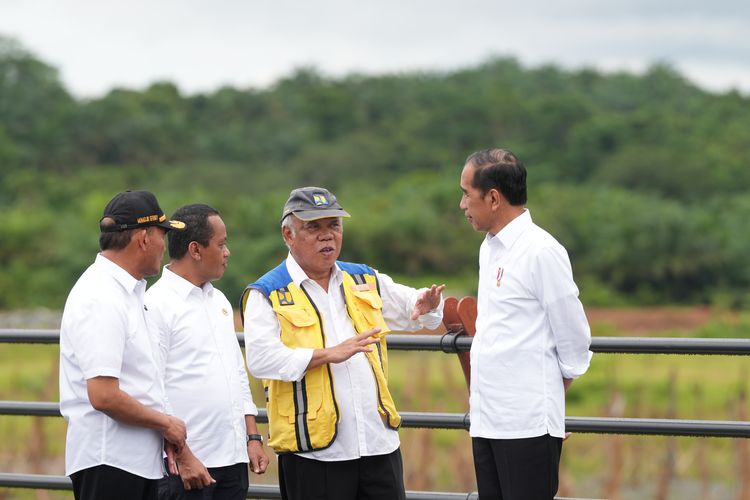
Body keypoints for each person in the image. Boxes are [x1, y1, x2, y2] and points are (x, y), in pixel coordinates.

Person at [241, 186, 445, 500]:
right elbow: (261, 359)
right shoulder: (267, 293)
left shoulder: (363, 278)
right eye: (313, 227)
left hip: (378, 445)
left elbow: (414, 307)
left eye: (334, 226)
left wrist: (428, 304)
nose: (327, 236)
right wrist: (327, 355)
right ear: (288, 234)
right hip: (316, 454)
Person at [459, 148, 593, 500]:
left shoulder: (541, 251)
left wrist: (547, 395)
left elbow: (575, 337)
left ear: (492, 198)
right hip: (487, 418)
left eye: (465, 193)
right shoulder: (489, 248)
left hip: (527, 424)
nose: (461, 205)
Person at [59, 190, 189, 500]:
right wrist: (165, 423)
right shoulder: (101, 296)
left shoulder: (125, 292)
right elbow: (103, 395)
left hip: (129, 461)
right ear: (144, 237)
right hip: (110, 461)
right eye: (163, 234)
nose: (164, 246)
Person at [146, 203, 270, 499]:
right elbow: (152, 388)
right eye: (221, 244)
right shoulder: (156, 304)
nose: (227, 252)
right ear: (195, 250)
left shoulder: (221, 302)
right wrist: (184, 455)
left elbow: (236, 372)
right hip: (186, 465)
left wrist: (252, 436)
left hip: (232, 458)